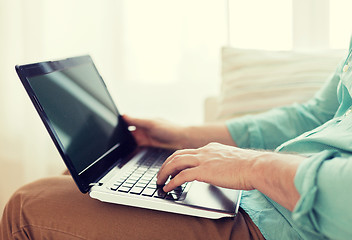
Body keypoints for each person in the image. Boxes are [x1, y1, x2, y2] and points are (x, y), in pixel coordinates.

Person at [2, 42, 352, 240]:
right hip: (275, 195)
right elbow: (315, 115)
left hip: (298, 226)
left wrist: (251, 165)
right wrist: (183, 136)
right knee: (88, 180)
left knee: (28, 206)